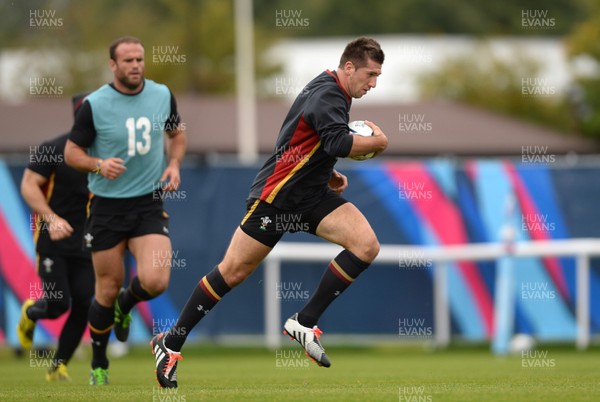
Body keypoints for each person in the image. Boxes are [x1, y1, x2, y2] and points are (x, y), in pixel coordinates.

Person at [150, 36, 387, 388]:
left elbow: (300, 137)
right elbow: (338, 142)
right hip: (277, 198)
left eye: (378, 76)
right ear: (348, 67)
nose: (373, 83)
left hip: (311, 195)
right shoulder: (328, 94)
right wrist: (379, 142)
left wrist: (323, 170)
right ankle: (170, 343)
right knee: (231, 272)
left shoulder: (332, 89)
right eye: (370, 74)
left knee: (366, 245)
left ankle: (304, 322)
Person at [64, 36, 187, 385]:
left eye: (139, 59)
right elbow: (72, 152)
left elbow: (177, 135)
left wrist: (175, 164)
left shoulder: (161, 95)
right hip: (106, 207)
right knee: (105, 288)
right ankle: (99, 363)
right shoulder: (95, 104)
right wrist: (98, 164)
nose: (135, 65)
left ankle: (126, 304)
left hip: (148, 203)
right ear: (113, 66)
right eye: (128, 60)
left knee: (156, 279)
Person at [17, 93, 94, 382]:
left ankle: (57, 365)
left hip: (88, 241)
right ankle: (31, 312)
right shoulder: (53, 149)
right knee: (59, 303)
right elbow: (28, 186)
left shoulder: (106, 155)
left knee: (85, 303)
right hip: (53, 239)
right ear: (79, 117)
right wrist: (51, 218)